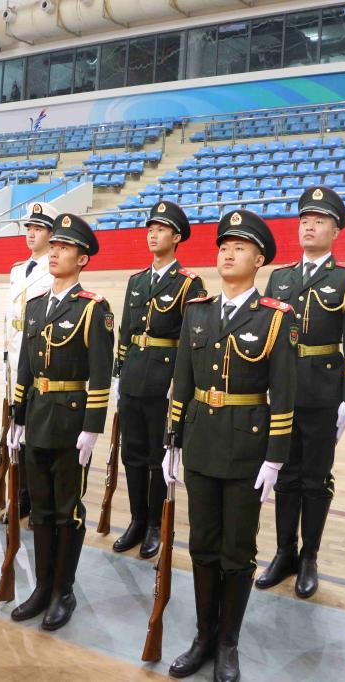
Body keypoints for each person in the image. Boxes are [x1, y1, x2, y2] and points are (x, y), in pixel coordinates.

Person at [163, 209, 296, 682]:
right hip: (201, 441)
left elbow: (284, 392)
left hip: (246, 449)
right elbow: (182, 381)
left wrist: (275, 458)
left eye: (240, 247)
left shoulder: (275, 317)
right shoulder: (198, 311)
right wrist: (172, 439)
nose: (228, 253)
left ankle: (227, 642)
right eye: (224, 246)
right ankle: (203, 636)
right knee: (202, 545)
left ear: (259, 260)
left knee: (237, 551)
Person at [255, 186, 345, 599]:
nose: (309, 226)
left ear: (335, 231)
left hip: (323, 391)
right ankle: (284, 552)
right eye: (305, 220)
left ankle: (309, 557)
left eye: (319, 221)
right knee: (285, 473)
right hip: (284, 390)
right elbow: (266, 336)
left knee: (316, 478)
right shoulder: (279, 277)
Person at [6, 213, 113, 631]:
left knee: (68, 510)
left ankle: (62, 591)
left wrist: (92, 427)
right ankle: (42, 585)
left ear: (82, 259)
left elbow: (101, 374)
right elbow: (25, 365)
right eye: (53, 246)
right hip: (37, 416)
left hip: (70, 420)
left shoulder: (93, 309)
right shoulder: (35, 306)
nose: (54, 253)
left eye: (64, 248)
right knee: (41, 509)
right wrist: (17, 414)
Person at [112, 201, 205, 559]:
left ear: (176, 237)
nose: (153, 235)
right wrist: (119, 372)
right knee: (131, 454)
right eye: (150, 229)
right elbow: (125, 332)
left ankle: (154, 524)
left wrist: (179, 384)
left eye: (161, 229)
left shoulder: (189, 283)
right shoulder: (137, 281)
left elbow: (192, 339)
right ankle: (137, 519)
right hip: (133, 377)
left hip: (164, 380)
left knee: (156, 456)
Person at [4, 202, 56, 518]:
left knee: (36, 432)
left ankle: (38, 502)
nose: (31, 234)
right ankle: (21, 496)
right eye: (29, 228)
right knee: (17, 431)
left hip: (38, 357)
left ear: (51, 234)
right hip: (15, 359)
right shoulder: (17, 269)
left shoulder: (54, 268)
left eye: (38, 229)